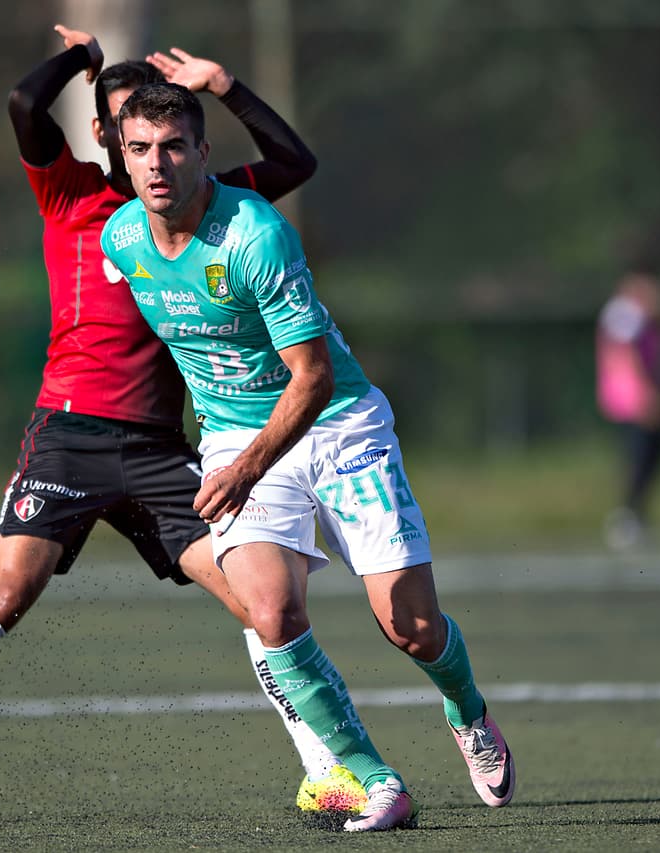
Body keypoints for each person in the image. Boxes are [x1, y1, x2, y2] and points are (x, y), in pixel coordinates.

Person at [0, 26, 368, 821]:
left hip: (161, 448)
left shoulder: (207, 209)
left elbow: (296, 163)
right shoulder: (71, 195)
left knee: (257, 602)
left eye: (164, 138)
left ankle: (321, 770)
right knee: (8, 591)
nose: (150, 156)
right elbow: (26, 101)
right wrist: (84, 55)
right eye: (130, 133)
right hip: (69, 434)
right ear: (106, 138)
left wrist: (226, 86)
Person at [101, 83, 515, 832]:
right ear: (121, 157)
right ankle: (374, 778)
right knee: (270, 610)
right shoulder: (121, 239)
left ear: (202, 153)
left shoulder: (255, 235)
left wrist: (244, 467)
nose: (156, 164)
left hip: (336, 426)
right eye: (139, 149)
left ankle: (467, 708)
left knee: (411, 627)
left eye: (171, 147)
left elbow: (314, 379)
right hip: (236, 438)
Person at [596, 271, 660, 549]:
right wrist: (644, 395)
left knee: (651, 458)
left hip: (640, 400)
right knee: (637, 459)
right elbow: (622, 357)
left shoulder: (643, 319)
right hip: (632, 403)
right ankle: (627, 517)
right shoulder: (624, 314)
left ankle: (636, 515)